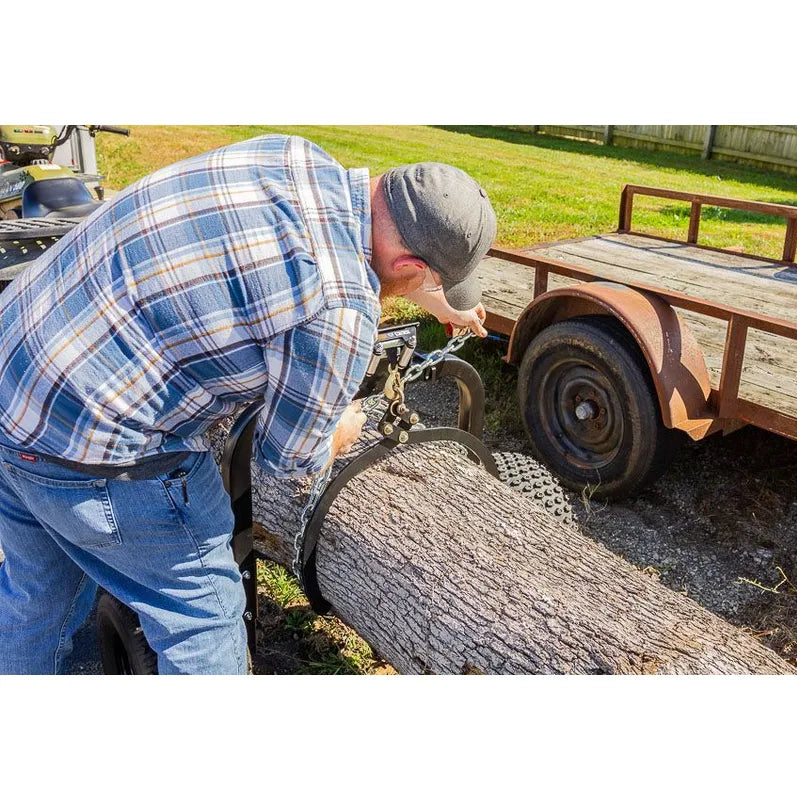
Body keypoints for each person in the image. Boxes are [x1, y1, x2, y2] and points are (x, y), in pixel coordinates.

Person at [0, 134, 496, 674]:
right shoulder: (338, 312)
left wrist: (420, 291)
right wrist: (341, 427)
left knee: (38, 595)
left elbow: (335, 256)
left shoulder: (293, 156)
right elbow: (288, 461)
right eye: (432, 278)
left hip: (16, 372)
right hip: (85, 443)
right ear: (410, 263)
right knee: (202, 615)